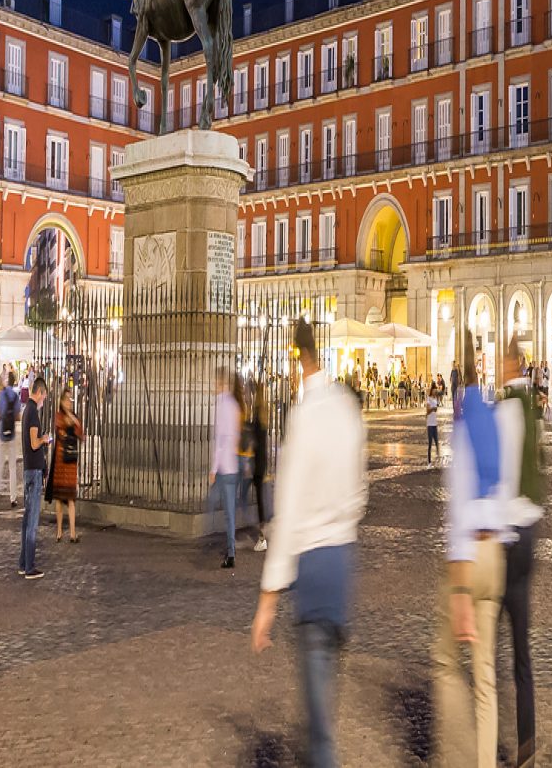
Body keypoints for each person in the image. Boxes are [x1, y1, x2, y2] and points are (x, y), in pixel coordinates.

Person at [252, 316, 366, 768]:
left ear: (298, 359)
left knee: (319, 731)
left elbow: (290, 509)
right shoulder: (347, 408)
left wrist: (268, 598)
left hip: (314, 567)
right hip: (343, 565)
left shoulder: (304, 417)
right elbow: (360, 495)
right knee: (323, 704)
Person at [434, 328, 507, 768]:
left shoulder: (462, 423)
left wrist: (460, 589)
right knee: (485, 678)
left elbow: (461, 503)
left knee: (444, 661)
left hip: (471, 560)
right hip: (496, 554)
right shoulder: (494, 419)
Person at [499, 338, 545, 768]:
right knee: (523, 651)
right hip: (532, 532)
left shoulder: (509, 409)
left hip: (509, 538)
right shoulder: (532, 407)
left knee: (483, 642)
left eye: (501, 360)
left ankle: (480, 731)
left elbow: (503, 477)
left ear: (511, 362)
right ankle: (527, 741)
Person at [19, 374, 53, 580]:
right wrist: (45, 438)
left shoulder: (27, 411)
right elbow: (33, 443)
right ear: (39, 393)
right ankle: (30, 566)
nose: (44, 401)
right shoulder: (32, 413)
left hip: (28, 469)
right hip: (33, 471)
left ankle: (23, 562)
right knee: (32, 520)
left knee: (26, 519)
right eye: (44, 397)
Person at [210, 369, 242, 568]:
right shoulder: (234, 404)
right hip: (233, 464)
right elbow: (235, 435)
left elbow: (220, 440)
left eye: (215, 382)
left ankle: (230, 551)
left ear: (220, 383)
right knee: (229, 510)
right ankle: (230, 549)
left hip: (224, 466)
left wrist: (213, 468)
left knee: (214, 503)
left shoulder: (222, 405)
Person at [46, 385, 83, 543]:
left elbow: (81, 433)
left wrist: (73, 419)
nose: (69, 402)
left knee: (71, 498)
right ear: (61, 401)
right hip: (61, 458)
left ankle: (73, 533)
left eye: (70, 399)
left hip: (71, 460)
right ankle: (60, 531)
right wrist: (69, 419)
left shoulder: (74, 416)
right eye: (67, 399)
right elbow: (60, 429)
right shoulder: (59, 415)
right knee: (60, 498)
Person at [0, 368, 22, 510]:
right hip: (12, 435)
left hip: (2, 433)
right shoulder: (16, 396)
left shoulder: (2, 395)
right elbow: (18, 416)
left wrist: (1, 416)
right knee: (12, 467)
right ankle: (13, 497)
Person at [249, 381, 270, 553]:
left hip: (257, 461)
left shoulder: (256, 415)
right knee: (260, 499)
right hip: (262, 460)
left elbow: (254, 437)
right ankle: (262, 532)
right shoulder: (264, 414)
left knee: (259, 501)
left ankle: (262, 537)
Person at [426, 381, 441, 464]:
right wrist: (432, 409)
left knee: (437, 442)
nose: (435, 392)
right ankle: (429, 461)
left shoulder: (435, 399)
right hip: (430, 424)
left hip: (434, 423)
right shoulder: (429, 399)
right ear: (431, 391)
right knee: (430, 444)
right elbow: (427, 411)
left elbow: (436, 408)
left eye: (436, 391)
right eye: (434, 391)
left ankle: (438, 458)